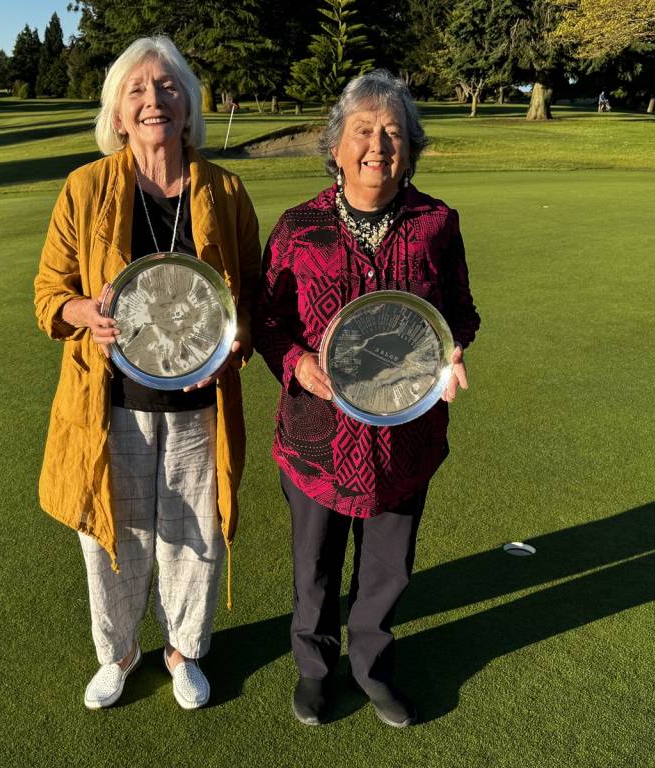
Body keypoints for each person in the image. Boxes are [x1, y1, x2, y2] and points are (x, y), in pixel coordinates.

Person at [33, 35, 260, 711]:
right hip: (111, 406)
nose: (153, 99)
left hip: (198, 405)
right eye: (137, 90)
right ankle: (121, 652)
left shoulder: (224, 189)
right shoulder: (86, 188)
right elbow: (49, 293)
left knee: (195, 537)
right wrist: (84, 312)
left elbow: (251, 297)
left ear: (188, 105)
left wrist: (234, 341)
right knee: (115, 535)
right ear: (118, 112)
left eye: (167, 88)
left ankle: (184, 650)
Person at [253, 69, 480, 728]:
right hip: (317, 438)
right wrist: (297, 364)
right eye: (363, 130)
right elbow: (266, 319)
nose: (377, 144)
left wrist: (453, 348)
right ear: (336, 144)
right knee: (315, 571)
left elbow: (460, 310)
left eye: (393, 132)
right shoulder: (300, 227)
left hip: (406, 432)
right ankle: (316, 670)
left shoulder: (438, 223)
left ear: (410, 146)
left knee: (388, 570)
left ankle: (372, 669)